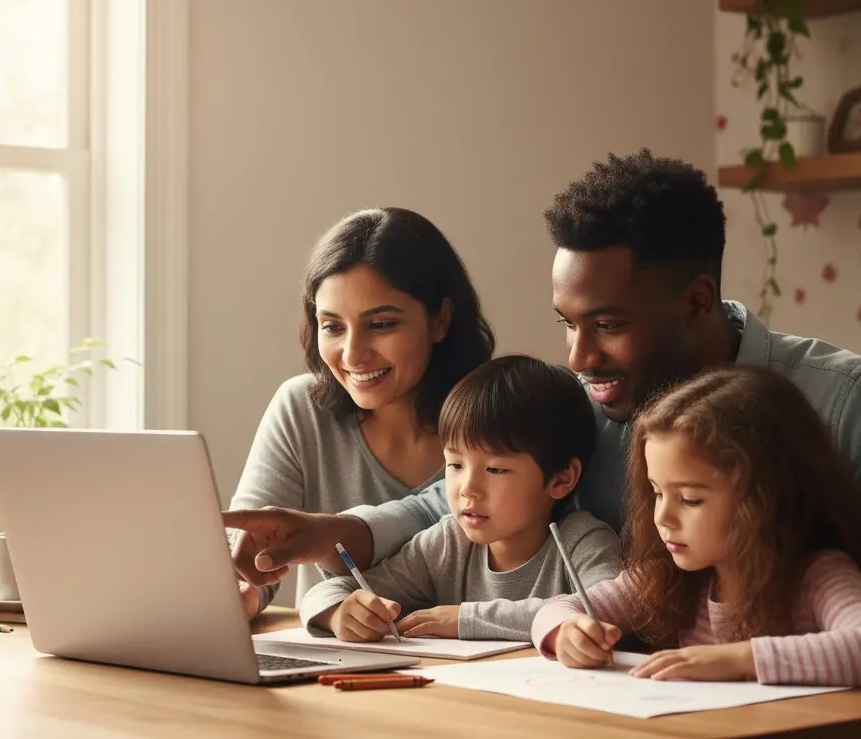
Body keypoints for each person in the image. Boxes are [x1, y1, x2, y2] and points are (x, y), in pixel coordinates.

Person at [223, 150, 861, 590]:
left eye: (608, 326)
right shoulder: (582, 404)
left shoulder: (840, 403)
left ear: (695, 301)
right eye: (567, 324)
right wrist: (327, 534)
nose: (579, 359)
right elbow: (437, 510)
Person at [228, 206, 495, 618]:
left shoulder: (502, 419)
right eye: (332, 326)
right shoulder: (302, 409)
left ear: (440, 320)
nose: (353, 354)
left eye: (382, 324)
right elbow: (249, 559)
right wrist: (238, 592)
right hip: (335, 670)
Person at [531, 365, 861, 686]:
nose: (662, 517)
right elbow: (558, 607)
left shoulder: (816, 577)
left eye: (690, 499)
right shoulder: (669, 578)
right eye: (657, 493)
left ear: (768, 496)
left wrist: (738, 660)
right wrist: (566, 630)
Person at [300, 354, 621, 643]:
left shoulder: (583, 541)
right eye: (454, 465)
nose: (468, 488)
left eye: (495, 469)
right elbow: (326, 592)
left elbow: (606, 607)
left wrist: (466, 619)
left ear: (562, 478)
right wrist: (341, 612)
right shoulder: (448, 544)